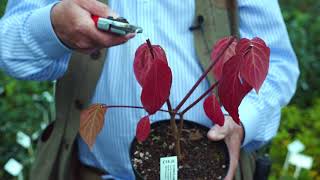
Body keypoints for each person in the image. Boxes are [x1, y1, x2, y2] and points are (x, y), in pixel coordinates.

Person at [0, 0, 299, 180]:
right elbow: (11, 50)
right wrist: (54, 26)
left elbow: (278, 66)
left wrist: (241, 120)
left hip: (209, 168)